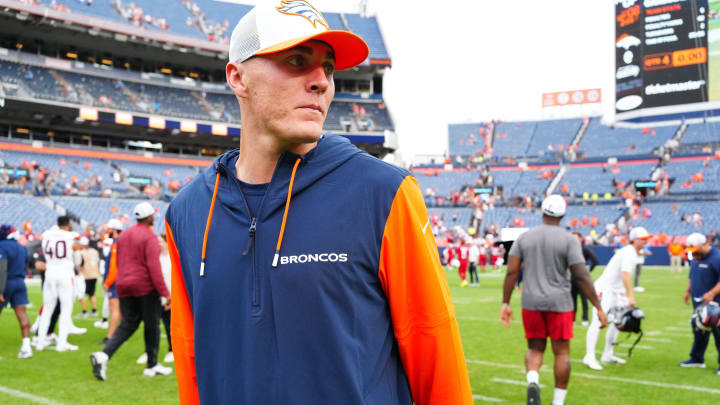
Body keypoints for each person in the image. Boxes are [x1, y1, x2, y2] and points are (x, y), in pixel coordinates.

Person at [164, 2, 473, 403]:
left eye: (327, 68)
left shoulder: (383, 192)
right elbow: (192, 369)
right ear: (237, 77)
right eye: (296, 60)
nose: (322, 82)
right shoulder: (186, 212)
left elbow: (437, 359)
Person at [500, 195, 606, 405]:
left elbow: (511, 272)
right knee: (562, 353)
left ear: (543, 211)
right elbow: (582, 275)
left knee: (535, 348)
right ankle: (558, 402)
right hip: (560, 304)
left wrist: (505, 303)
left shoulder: (525, 237)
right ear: (563, 215)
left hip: (531, 302)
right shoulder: (569, 240)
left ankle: (533, 379)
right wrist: (598, 307)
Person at [90, 203, 171, 380]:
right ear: (149, 217)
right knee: (152, 325)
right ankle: (152, 365)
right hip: (144, 286)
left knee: (129, 323)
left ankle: (104, 355)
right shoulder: (149, 237)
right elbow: (153, 267)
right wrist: (165, 292)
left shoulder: (124, 235)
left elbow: (118, 260)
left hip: (123, 284)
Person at [583, 227, 651, 371]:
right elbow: (625, 275)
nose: (646, 240)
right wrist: (631, 295)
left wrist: (623, 295)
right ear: (634, 239)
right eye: (643, 238)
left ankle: (608, 353)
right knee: (597, 322)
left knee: (618, 320)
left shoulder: (632, 252)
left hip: (615, 291)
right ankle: (589, 356)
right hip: (605, 290)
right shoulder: (628, 253)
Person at [36, 215, 84, 351]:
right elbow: (77, 261)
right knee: (65, 309)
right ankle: (61, 343)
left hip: (50, 273)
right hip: (64, 274)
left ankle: (40, 342)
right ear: (68, 224)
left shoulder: (47, 235)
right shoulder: (70, 237)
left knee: (47, 308)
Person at [679, 233, 720, 372]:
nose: (694, 254)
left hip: (716, 305)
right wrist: (687, 290)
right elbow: (692, 275)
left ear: (705, 244)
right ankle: (697, 359)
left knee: (719, 333)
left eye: (696, 250)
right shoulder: (696, 257)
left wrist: (712, 293)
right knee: (699, 330)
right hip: (699, 304)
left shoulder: (717, 258)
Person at [0, 225, 33, 358]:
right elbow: (26, 266)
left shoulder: (2, 246)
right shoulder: (22, 248)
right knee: (22, 314)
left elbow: (2, 269)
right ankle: (26, 347)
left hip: (6, 282)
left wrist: (0, 290)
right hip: (20, 282)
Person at [97, 219, 123, 343]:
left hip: (115, 282)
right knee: (119, 309)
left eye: (109, 229)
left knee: (114, 309)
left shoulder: (117, 243)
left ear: (114, 229)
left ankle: (110, 337)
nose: (107, 232)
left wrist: (107, 282)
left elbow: (114, 266)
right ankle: (118, 334)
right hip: (119, 280)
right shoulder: (118, 242)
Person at [571, 232, 599, 326]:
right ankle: (573, 319)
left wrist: (588, 271)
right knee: (572, 300)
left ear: (581, 239)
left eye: (576, 238)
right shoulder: (569, 249)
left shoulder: (585, 249)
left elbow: (595, 261)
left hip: (582, 278)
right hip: (571, 278)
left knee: (584, 299)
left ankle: (585, 319)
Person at [76, 237, 100, 317]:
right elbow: (98, 262)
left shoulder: (81, 253)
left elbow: (80, 265)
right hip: (94, 275)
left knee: (82, 294)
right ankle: (94, 310)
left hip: (85, 275)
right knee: (92, 294)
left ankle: (84, 311)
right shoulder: (95, 251)